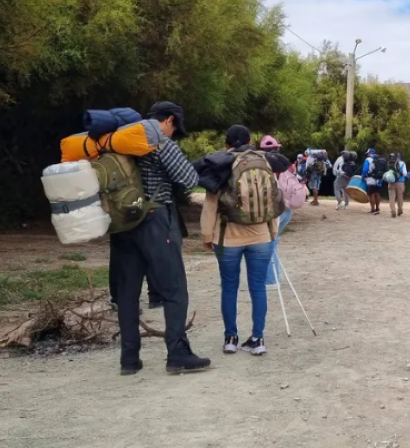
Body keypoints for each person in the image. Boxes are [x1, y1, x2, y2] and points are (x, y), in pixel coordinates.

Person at [110, 101, 208, 376]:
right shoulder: (160, 141)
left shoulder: (119, 142)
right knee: (175, 289)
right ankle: (177, 354)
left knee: (128, 293)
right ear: (169, 121)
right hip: (155, 221)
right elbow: (189, 179)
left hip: (122, 224)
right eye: (175, 127)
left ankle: (129, 359)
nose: (174, 132)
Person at [199, 126, 291, 356]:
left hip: (227, 237)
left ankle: (230, 338)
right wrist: (272, 232)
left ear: (227, 144)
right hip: (261, 237)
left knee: (229, 287)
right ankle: (258, 339)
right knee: (258, 287)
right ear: (250, 141)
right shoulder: (265, 162)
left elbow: (211, 204)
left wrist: (207, 235)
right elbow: (275, 200)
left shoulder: (221, 164)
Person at [361, 149, 385, 215]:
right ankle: (377, 209)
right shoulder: (380, 159)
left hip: (371, 179)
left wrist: (363, 176)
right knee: (377, 193)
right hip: (379, 179)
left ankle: (373, 210)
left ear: (370, 153)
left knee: (370, 194)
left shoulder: (368, 159)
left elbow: (365, 169)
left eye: (368, 153)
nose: (367, 154)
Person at [386, 152, 408, 218]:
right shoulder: (402, 163)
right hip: (400, 182)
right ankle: (400, 210)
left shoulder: (389, 163)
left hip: (391, 182)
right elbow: (405, 173)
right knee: (400, 197)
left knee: (391, 198)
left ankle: (393, 211)